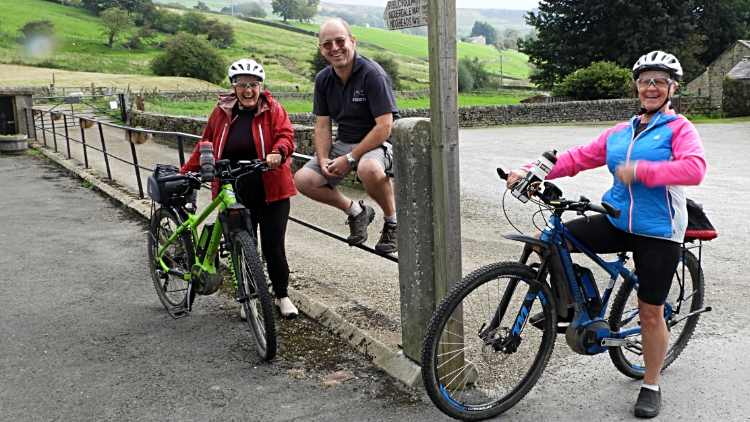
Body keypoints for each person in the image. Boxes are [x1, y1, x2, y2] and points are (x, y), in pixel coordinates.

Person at [506, 51, 706, 419]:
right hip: (615, 218)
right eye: (645, 80)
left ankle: (651, 383)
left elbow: (694, 169)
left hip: (658, 230)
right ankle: (575, 306)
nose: (651, 87)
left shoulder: (680, 129)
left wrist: (643, 171)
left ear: (672, 89)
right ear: (637, 86)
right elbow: (578, 157)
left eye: (659, 81)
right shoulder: (621, 131)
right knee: (546, 239)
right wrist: (530, 170)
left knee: (650, 311)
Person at [180, 59, 299, 319]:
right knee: (243, 247)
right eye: (242, 84)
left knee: (274, 247)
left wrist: (278, 152)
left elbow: (286, 136)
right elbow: (206, 144)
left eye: (254, 85)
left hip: (271, 190)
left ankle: (281, 296)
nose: (248, 90)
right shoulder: (221, 112)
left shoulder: (273, 109)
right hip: (232, 190)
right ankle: (250, 298)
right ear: (233, 87)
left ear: (260, 87)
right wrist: (187, 171)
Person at [293, 17, 401, 253]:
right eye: (327, 43)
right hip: (346, 141)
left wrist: (350, 159)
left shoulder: (373, 75)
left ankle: (393, 222)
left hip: (379, 141)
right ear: (321, 49)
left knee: (368, 168)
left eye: (340, 40)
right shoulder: (323, 80)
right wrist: (323, 160)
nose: (334, 48)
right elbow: (322, 126)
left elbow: (385, 126)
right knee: (303, 180)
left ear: (352, 41)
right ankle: (356, 212)